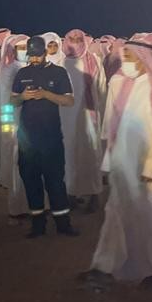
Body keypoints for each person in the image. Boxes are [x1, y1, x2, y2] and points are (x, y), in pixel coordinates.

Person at [87, 39, 152, 287]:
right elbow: (114, 126)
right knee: (117, 214)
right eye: (125, 57)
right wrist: (111, 161)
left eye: (131, 58)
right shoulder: (121, 83)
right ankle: (105, 266)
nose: (126, 63)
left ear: (145, 59)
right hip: (124, 163)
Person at [12, 35, 78, 237]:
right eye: (31, 56)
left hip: (51, 138)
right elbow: (12, 101)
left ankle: (63, 224)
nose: (34, 59)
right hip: (27, 140)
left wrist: (46, 94)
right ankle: (38, 225)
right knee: (31, 181)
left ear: (45, 53)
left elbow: (69, 101)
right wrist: (23, 96)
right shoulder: (22, 73)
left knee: (55, 181)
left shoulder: (58, 73)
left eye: (37, 55)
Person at [61, 29, 104, 212]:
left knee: (90, 154)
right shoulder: (60, 62)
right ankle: (70, 194)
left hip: (89, 116)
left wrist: (97, 111)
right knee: (69, 154)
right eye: (71, 39)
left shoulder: (93, 60)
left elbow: (101, 89)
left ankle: (94, 195)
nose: (75, 43)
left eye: (79, 39)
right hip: (65, 117)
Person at [0, 34, 31, 217]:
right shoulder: (12, 68)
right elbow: (12, 97)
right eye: (20, 48)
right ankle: (19, 206)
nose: (24, 51)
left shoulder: (15, 67)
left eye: (26, 47)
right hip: (18, 119)